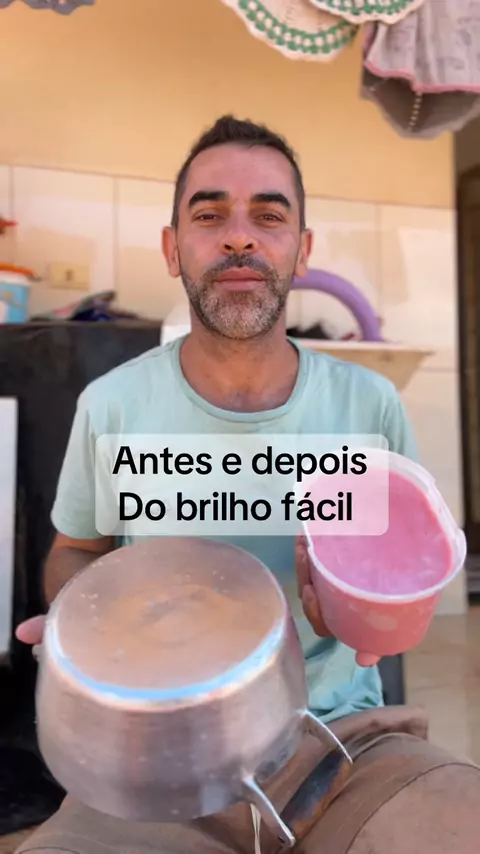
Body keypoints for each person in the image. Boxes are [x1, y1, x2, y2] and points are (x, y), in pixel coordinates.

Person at [15, 116, 480, 854]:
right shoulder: (112, 405)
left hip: (343, 742)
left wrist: (362, 620)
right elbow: (76, 549)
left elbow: (402, 581)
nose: (239, 237)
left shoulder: (367, 407)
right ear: (173, 248)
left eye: (268, 216)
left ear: (303, 249)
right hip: (157, 751)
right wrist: (90, 624)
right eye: (209, 216)